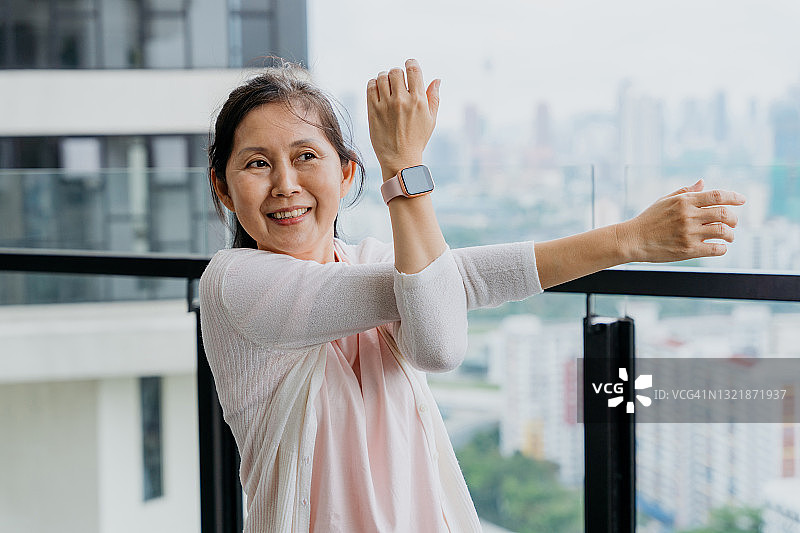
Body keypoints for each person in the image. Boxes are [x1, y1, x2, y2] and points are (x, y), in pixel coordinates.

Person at [198, 58, 745, 532]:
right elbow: (439, 312)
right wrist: (403, 166)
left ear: (344, 175)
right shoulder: (234, 284)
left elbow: (439, 320)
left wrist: (633, 239)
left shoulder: (371, 260)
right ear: (223, 186)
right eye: (257, 163)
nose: (285, 184)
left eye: (305, 156)